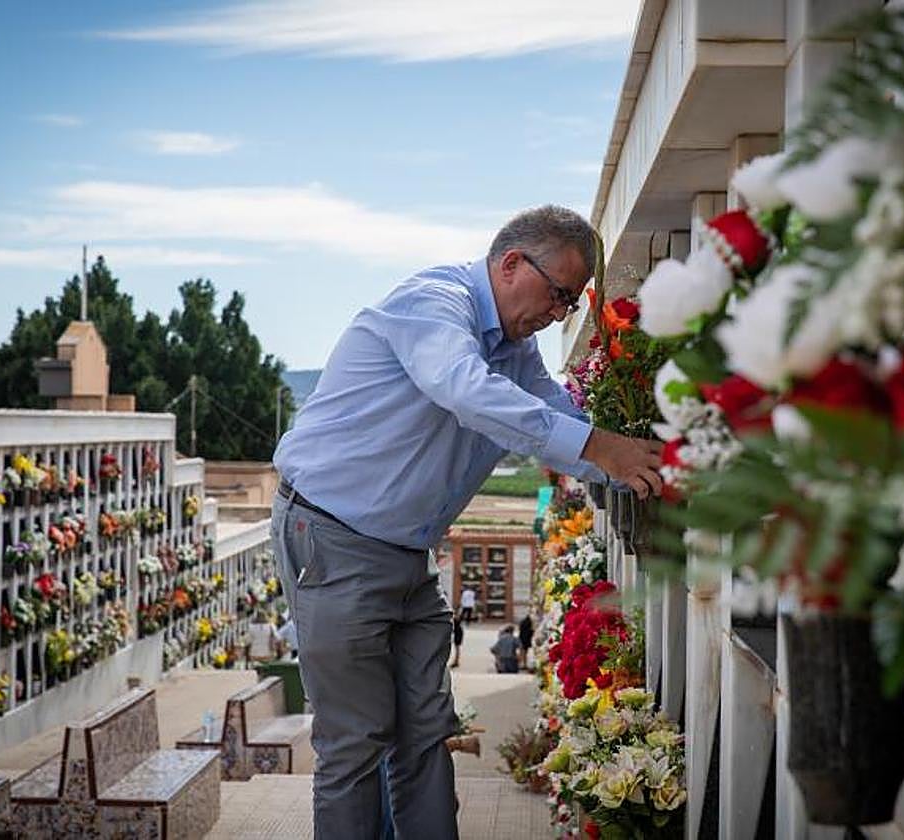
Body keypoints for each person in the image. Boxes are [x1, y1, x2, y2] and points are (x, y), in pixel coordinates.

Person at [271, 204, 663, 840]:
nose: (561, 313)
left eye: (571, 302)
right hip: (333, 540)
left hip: (406, 556)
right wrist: (598, 447)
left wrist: (648, 467)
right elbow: (466, 391)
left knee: (426, 733)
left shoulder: (515, 348)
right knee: (356, 744)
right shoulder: (433, 304)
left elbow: (553, 413)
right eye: (560, 293)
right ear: (511, 264)